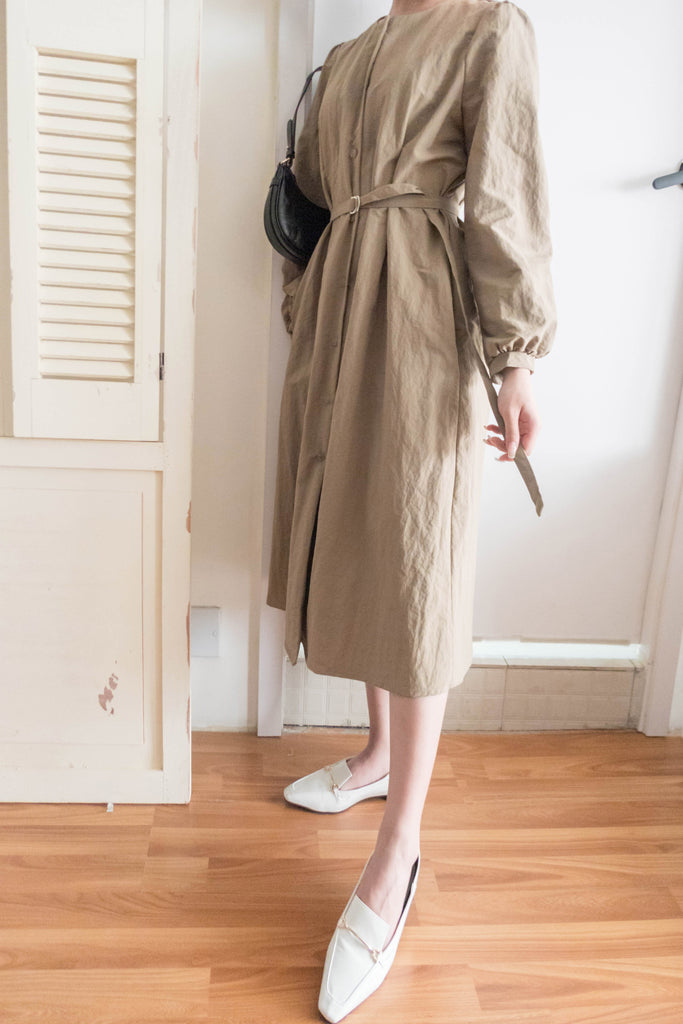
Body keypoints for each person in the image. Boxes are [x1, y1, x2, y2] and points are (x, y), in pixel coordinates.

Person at [266, 0, 557, 1019]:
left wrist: (516, 357)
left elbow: (506, 190)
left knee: (412, 561)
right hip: (336, 322)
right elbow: (306, 201)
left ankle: (398, 852)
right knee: (355, 542)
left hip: (422, 321)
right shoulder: (348, 56)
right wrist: (305, 303)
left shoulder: (488, 27)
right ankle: (379, 754)